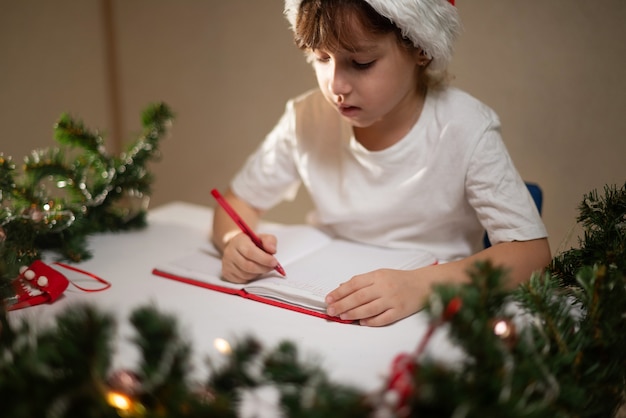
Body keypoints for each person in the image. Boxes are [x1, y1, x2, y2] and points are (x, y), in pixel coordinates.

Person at [211, 0, 551, 326]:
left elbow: (531, 255)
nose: (336, 85)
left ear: (421, 48)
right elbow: (236, 202)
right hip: (327, 302)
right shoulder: (306, 117)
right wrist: (233, 243)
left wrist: (422, 286)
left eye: (361, 63)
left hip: (431, 309)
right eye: (321, 58)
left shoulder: (464, 127)